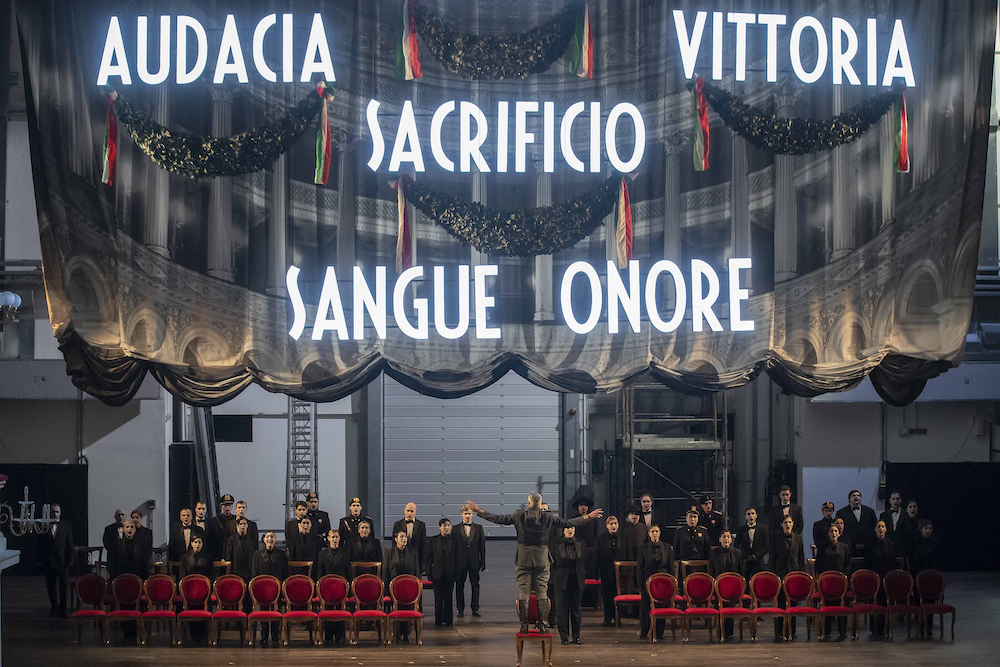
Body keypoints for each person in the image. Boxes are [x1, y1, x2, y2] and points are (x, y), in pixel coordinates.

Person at [465, 494, 602, 634]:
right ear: (540, 503)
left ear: (529, 503)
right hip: (542, 558)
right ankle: (543, 625)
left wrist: (478, 510)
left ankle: (524, 625)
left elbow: (497, 518)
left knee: (524, 592)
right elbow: (568, 523)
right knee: (542, 592)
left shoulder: (519, 515)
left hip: (523, 558)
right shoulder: (547, 516)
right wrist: (588, 517)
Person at [636, 524, 676, 640]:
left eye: (657, 531)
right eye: (652, 531)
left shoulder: (667, 547)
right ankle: (644, 631)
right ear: (649, 533)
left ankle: (660, 632)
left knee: (661, 605)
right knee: (645, 606)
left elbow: (670, 567)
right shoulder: (643, 548)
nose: (655, 534)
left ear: (660, 533)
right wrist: (640, 584)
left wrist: (671, 583)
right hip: (647, 581)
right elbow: (640, 567)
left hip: (662, 582)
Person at [770, 515, 804, 642]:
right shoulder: (776, 538)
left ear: (793, 523)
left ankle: (792, 631)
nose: (788, 524)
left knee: (793, 605)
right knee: (780, 604)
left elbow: (801, 557)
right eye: (785, 522)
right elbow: (772, 558)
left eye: (790, 522)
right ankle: (779, 631)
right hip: (780, 574)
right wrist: (773, 576)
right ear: (781, 524)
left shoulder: (798, 538)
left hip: (794, 576)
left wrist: (800, 575)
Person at [251, 532, 288, 646]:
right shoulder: (257, 554)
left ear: (275, 539)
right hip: (262, 590)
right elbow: (254, 572)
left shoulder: (281, 554)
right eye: (267, 537)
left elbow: (285, 572)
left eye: (272, 537)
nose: (270, 539)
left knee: (276, 611)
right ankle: (264, 636)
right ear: (264, 540)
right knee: (264, 611)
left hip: (277, 589)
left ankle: (276, 635)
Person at [383, 530, 420, 642]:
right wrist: (386, 589)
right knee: (396, 608)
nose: (404, 539)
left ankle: (406, 634)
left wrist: (417, 586)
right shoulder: (389, 552)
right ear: (395, 539)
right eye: (401, 537)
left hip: (409, 588)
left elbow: (416, 570)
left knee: (407, 608)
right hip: (393, 587)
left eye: (405, 537)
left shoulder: (413, 552)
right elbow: (385, 570)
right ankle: (396, 633)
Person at [815, 524, 851, 639]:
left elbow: (848, 564)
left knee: (841, 606)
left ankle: (842, 631)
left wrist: (842, 576)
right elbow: (818, 565)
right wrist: (825, 577)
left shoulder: (845, 547)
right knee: (828, 605)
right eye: (831, 531)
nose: (834, 533)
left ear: (839, 533)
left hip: (841, 583)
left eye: (836, 531)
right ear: (828, 533)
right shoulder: (822, 547)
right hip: (827, 583)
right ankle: (827, 632)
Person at [552, 526, 586, 644]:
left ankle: (577, 636)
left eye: (571, 528)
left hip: (577, 580)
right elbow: (553, 563)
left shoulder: (581, 542)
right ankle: (564, 637)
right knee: (562, 610)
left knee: (576, 609)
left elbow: (584, 561)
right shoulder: (557, 543)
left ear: (575, 530)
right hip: (562, 580)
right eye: (567, 528)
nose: (570, 530)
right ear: (563, 530)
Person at [710, 530, 745, 639]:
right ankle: (720, 631)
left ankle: (729, 633)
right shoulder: (714, 553)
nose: (726, 539)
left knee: (730, 609)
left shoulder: (738, 552)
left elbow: (740, 571)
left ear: (731, 539)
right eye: (724, 536)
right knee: (719, 609)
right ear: (720, 539)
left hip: (732, 588)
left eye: (728, 537)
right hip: (718, 587)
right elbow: (711, 571)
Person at [865, 520, 898, 638]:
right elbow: (866, 563)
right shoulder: (869, 544)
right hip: (873, 579)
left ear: (886, 529)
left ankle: (882, 629)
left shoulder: (892, 545)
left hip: (886, 578)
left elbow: (893, 564)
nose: (880, 529)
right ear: (875, 529)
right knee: (873, 603)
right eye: (878, 526)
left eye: (883, 526)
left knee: (884, 603)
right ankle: (873, 629)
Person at [41, 504, 74, 618]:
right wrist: (41, 560)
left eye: (56, 512)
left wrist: (69, 562)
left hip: (62, 562)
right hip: (48, 562)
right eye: (52, 512)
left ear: (60, 513)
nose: (54, 514)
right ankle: (54, 609)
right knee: (51, 587)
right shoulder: (43, 526)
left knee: (64, 588)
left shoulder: (66, 526)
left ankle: (63, 610)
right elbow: (39, 545)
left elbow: (70, 545)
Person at [453, 505, 486, 618]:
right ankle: (460, 609)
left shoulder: (479, 528)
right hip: (459, 562)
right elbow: (454, 547)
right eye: (465, 514)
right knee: (459, 586)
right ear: (462, 514)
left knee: (475, 586)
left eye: (469, 514)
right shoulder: (455, 528)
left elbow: (482, 547)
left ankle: (475, 609)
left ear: (472, 514)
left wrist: (483, 562)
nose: (467, 516)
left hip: (474, 561)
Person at [426, 518, 457, 627]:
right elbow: (429, 558)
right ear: (440, 527)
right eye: (444, 525)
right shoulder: (433, 540)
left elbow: (457, 558)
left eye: (448, 525)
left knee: (448, 598)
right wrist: (429, 572)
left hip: (450, 573)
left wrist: (457, 573)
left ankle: (449, 620)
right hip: (437, 573)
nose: (446, 527)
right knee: (438, 598)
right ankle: (438, 620)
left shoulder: (455, 540)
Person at [595, 515, 625, 626]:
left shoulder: (623, 537)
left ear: (618, 525)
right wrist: (596, 572)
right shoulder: (600, 538)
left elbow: (626, 554)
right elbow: (597, 556)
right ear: (607, 525)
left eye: (615, 523)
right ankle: (607, 617)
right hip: (605, 570)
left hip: (620, 572)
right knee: (607, 595)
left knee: (618, 594)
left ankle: (618, 617)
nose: (613, 526)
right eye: (611, 524)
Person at [836, 490, 877, 557]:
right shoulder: (841, 513)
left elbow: (874, 527)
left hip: (867, 545)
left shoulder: (869, 511)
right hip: (849, 545)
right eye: (853, 495)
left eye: (858, 495)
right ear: (849, 499)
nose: (856, 497)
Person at [734, 507, 768, 578]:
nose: (751, 516)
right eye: (748, 514)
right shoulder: (741, 530)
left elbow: (766, 546)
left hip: (759, 561)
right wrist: (746, 556)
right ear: (745, 517)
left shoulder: (763, 529)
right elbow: (736, 544)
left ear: (756, 516)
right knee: (745, 581)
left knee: (759, 581)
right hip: (745, 561)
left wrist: (755, 556)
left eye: (753, 513)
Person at [392, 503, 427, 570]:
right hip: (400, 558)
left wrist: (423, 562)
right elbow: (394, 543)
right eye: (408, 511)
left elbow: (423, 544)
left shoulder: (421, 525)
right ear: (404, 511)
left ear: (415, 512)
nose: (409, 513)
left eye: (412, 511)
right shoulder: (397, 524)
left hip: (416, 559)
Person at [225, 517, 257, 584]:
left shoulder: (252, 540)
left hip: (249, 572)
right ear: (237, 526)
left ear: (247, 526)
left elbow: (255, 555)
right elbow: (229, 557)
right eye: (241, 524)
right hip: (236, 571)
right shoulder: (231, 539)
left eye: (244, 524)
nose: (243, 526)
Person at [210, 494, 236, 560]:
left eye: (229, 505)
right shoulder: (214, 521)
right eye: (224, 505)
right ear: (221, 506)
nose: (227, 508)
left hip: (233, 554)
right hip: (218, 554)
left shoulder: (236, 520)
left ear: (232, 506)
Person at [102, 509, 125, 578]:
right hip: (113, 559)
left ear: (125, 516)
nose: (120, 517)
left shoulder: (130, 528)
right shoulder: (108, 529)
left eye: (122, 514)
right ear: (115, 517)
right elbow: (106, 542)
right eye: (118, 515)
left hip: (126, 559)